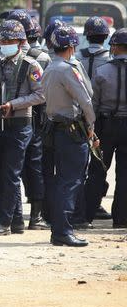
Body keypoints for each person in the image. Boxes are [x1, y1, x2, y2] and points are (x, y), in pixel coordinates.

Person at [0, 20, 45, 236]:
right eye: (2, 40)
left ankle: (3, 223)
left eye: (10, 40)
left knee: (11, 173)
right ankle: (17, 220)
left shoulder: (31, 65)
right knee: (2, 173)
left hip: (20, 124)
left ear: (20, 42)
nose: (5, 44)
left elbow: (40, 95)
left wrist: (13, 104)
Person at [42, 25, 96, 247]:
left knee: (61, 181)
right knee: (71, 181)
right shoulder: (67, 69)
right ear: (72, 46)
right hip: (72, 129)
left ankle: (59, 230)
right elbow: (86, 100)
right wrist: (91, 125)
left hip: (55, 128)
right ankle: (63, 231)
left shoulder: (49, 68)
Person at [87, 28, 127, 228]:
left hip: (106, 125)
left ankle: (86, 216)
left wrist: (90, 128)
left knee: (97, 170)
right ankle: (121, 219)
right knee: (125, 174)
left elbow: (92, 104)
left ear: (116, 47)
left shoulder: (102, 71)